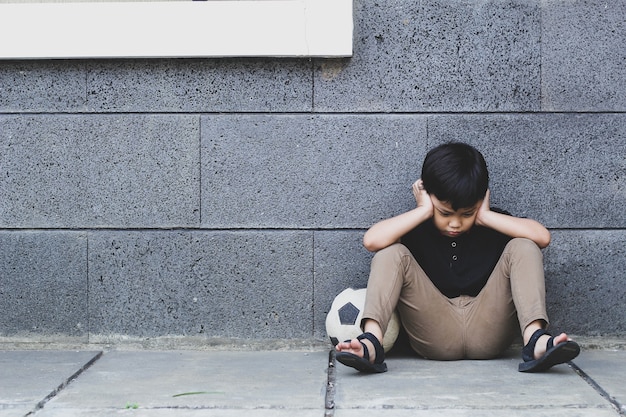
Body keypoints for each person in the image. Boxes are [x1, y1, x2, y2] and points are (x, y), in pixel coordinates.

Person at [335, 142, 580, 373]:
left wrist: (484, 216)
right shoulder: (417, 226)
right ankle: (370, 345)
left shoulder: (493, 222)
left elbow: (542, 237)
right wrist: (423, 211)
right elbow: (371, 241)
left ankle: (536, 341)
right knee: (390, 251)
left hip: (489, 330)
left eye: (467, 213)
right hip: (433, 331)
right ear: (428, 195)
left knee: (524, 245)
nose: (455, 223)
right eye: (445, 213)